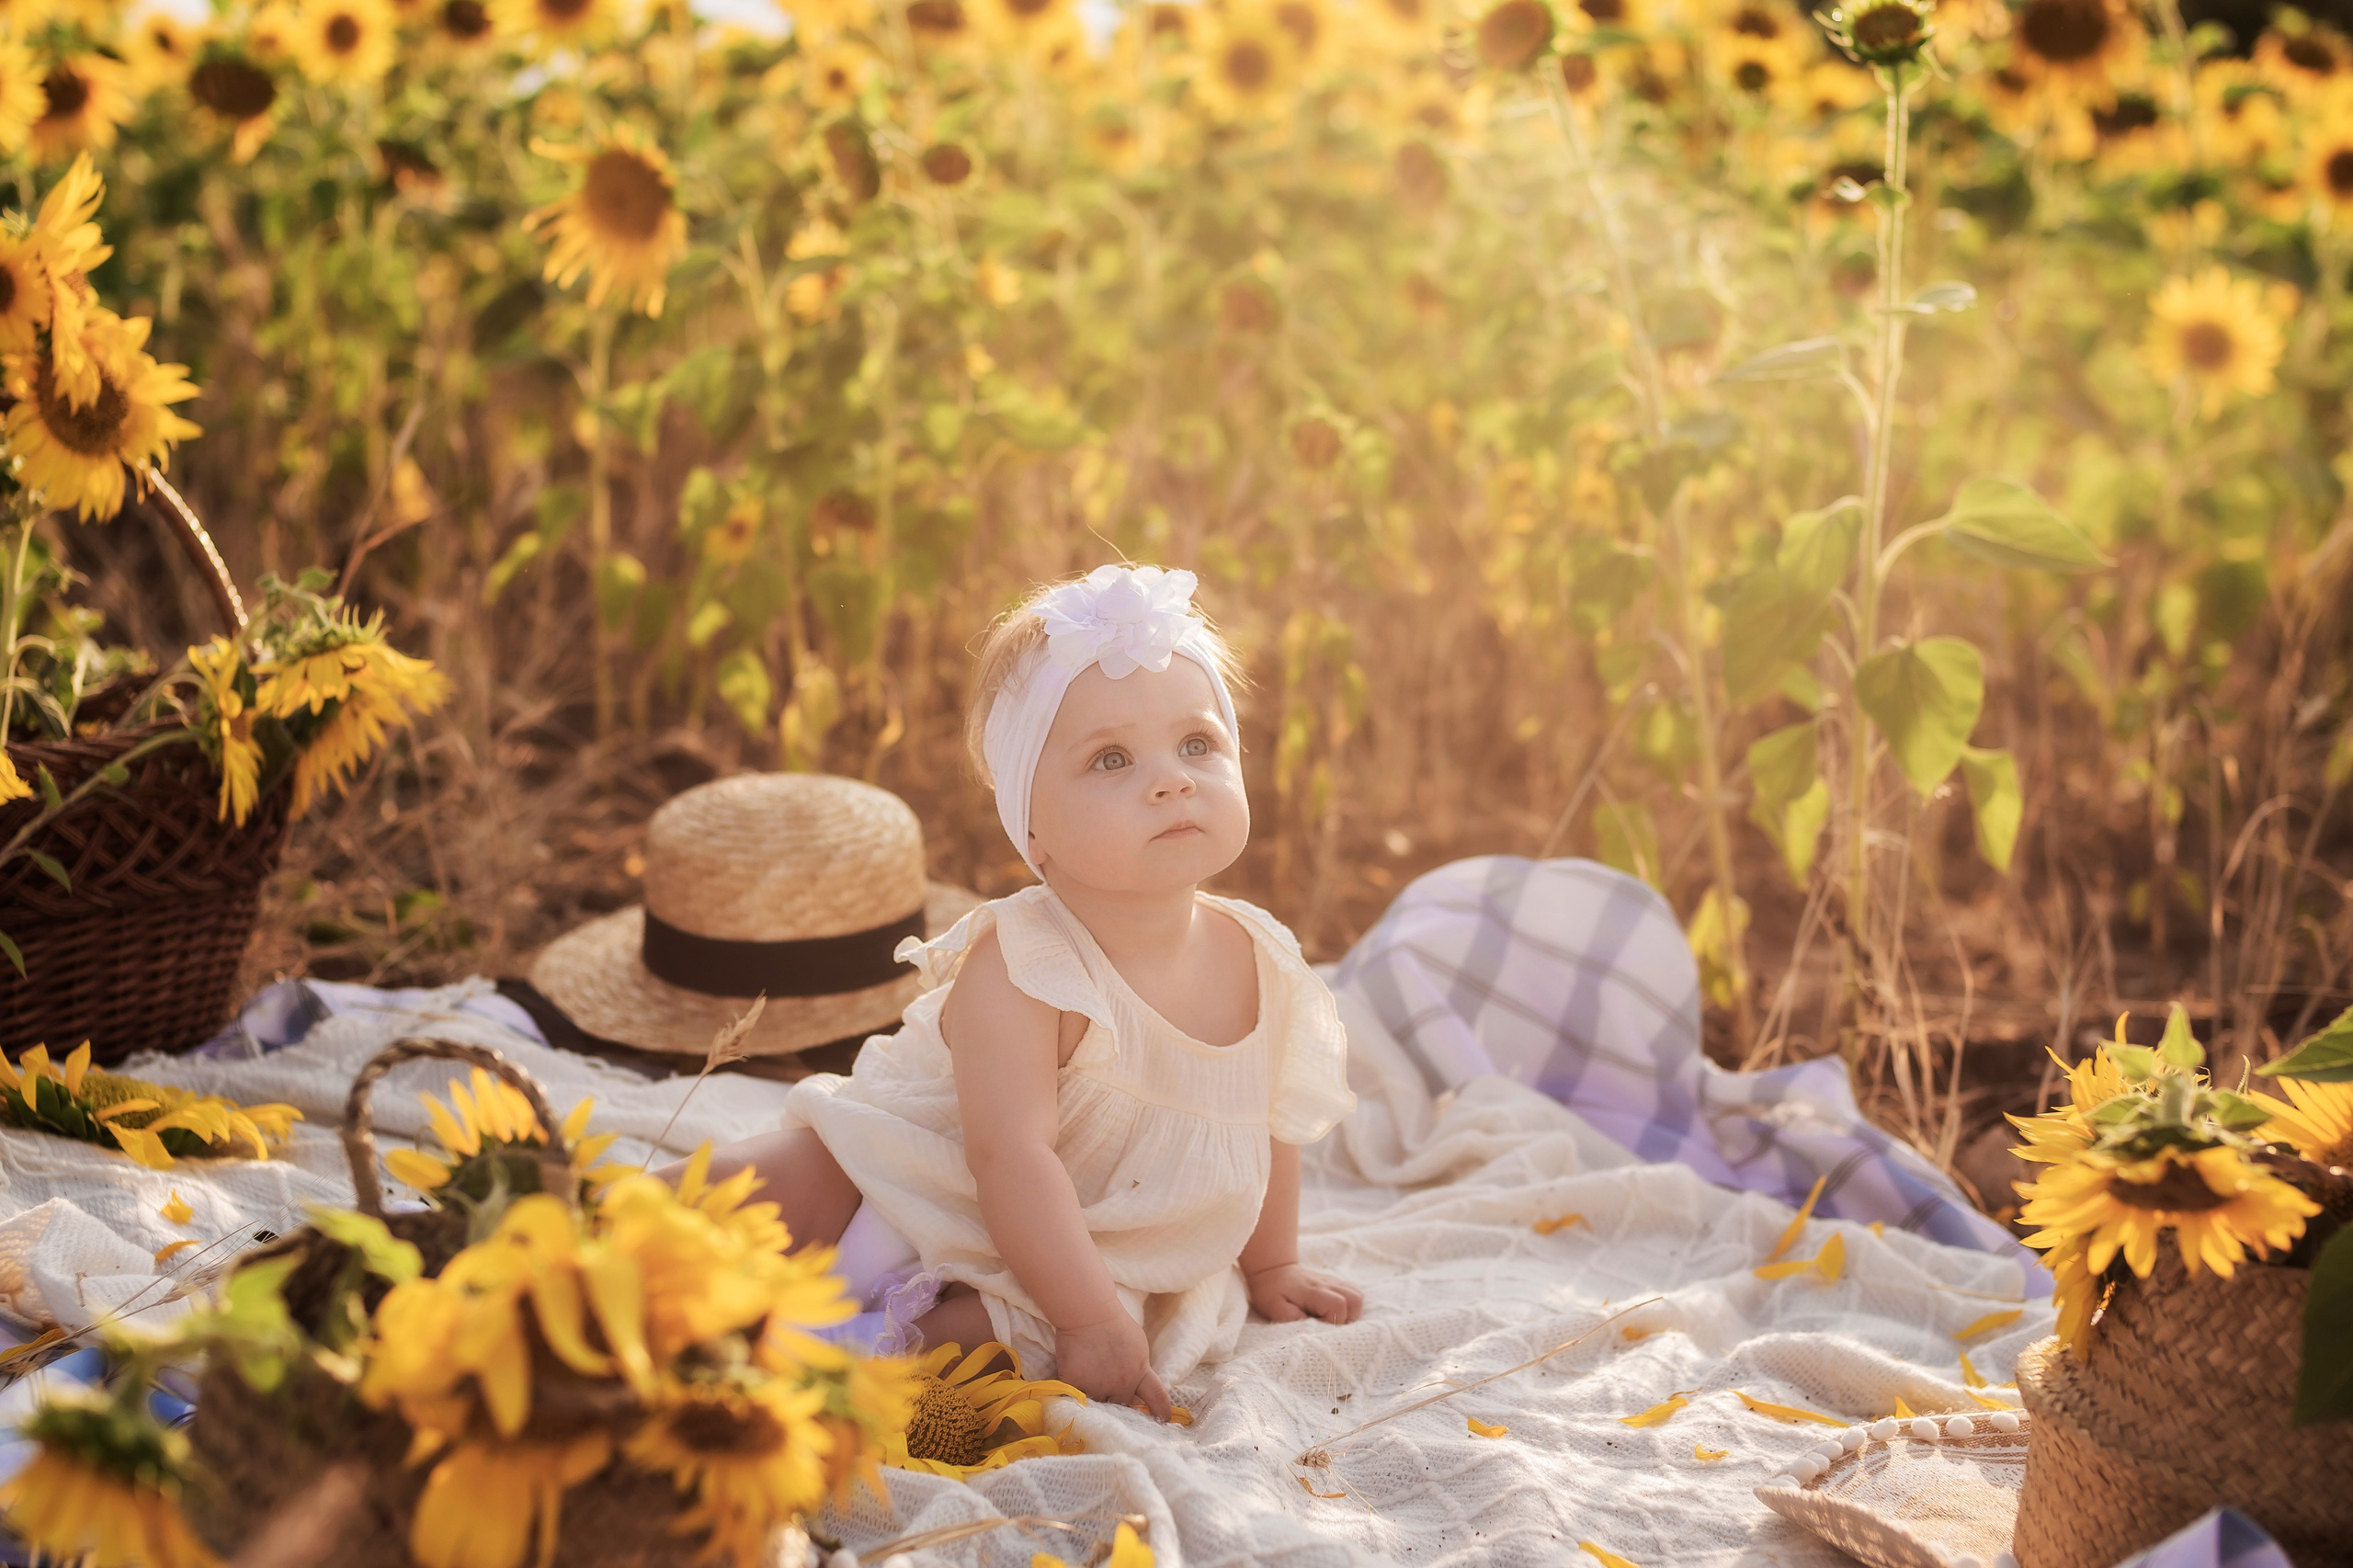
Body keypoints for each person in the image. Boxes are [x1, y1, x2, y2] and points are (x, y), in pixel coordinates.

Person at [685, 564, 1362, 1418]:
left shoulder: (1260, 959)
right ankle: (583, 1229)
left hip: (1076, 1259)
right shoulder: (1024, 963)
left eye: (1198, 744)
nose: (1171, 779)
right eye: (1112, 759)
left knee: (1024, 1341)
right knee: (791, 1178)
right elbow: (1007, 1156)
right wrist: (1089, 1317)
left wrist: (1270, 1265)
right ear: (1030, 827)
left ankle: (806, 1364)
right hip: (914, 1181)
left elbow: (1275, 1123)